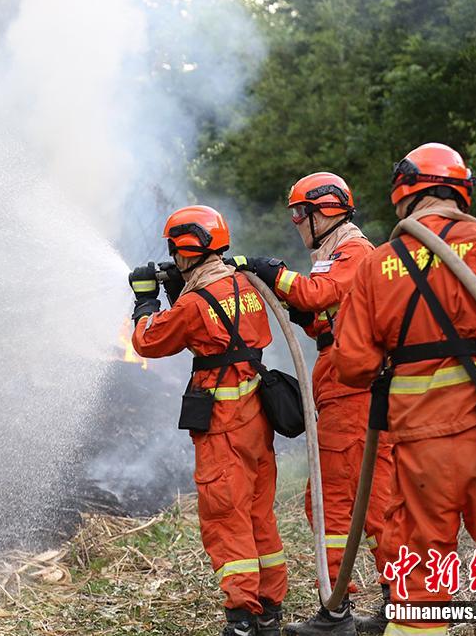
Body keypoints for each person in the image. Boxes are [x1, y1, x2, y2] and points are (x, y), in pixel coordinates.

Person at [331, 142, 476, 636]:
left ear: (404, 193)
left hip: (418, 444)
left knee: (417, 567)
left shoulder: (376, 265)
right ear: (461, 192)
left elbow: (352, 366)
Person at [231, 172, 393, 635]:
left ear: (328, 211)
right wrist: (303, 311)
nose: (297, 223)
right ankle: (391, 602)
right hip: (343, 382)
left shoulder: (353, 251)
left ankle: (339, 613)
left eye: (301, 213)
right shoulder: (336, 254)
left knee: (336, 501)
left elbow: (318, 293)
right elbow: (326, 312)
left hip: (352, 390)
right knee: (356, 499)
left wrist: (269, 268)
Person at [129, 205, 287, 636]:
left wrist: (146, 301)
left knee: (225, 514)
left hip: (222, 420)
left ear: (185, 247)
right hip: (256, 414)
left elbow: (149, 341)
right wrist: (182, 287)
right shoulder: (244, 285)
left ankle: (241, 616)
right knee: (258, 512)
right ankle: (270, 607)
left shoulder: (196, 302)